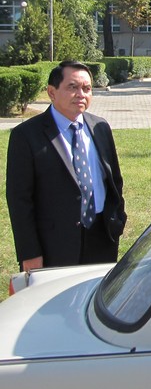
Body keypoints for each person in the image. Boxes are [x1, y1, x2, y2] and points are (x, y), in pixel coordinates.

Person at [7, 61, 126, 270]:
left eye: (87, 88)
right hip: (54, 244)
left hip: (101, 236)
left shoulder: (100, 127)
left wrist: (116, 221)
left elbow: (114, 181)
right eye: (73, 87)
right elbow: (19, 200)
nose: (81, 94)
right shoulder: (26, 135)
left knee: (93, 299)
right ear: (52, 92)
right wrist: (30, 252)